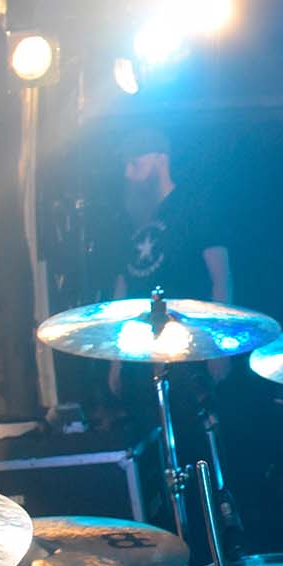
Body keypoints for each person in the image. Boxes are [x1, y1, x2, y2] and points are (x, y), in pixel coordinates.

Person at [107, 125, 235, 396]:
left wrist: (217, 346)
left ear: (160, 160)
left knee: (188, 413)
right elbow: (122, 286)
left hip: (188, 347)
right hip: (140, 351)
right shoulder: (129, 217)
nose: (128, 173)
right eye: (125, 166)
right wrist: (116, 359)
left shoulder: (193, 207)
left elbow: (221, 278)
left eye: (135, 163)